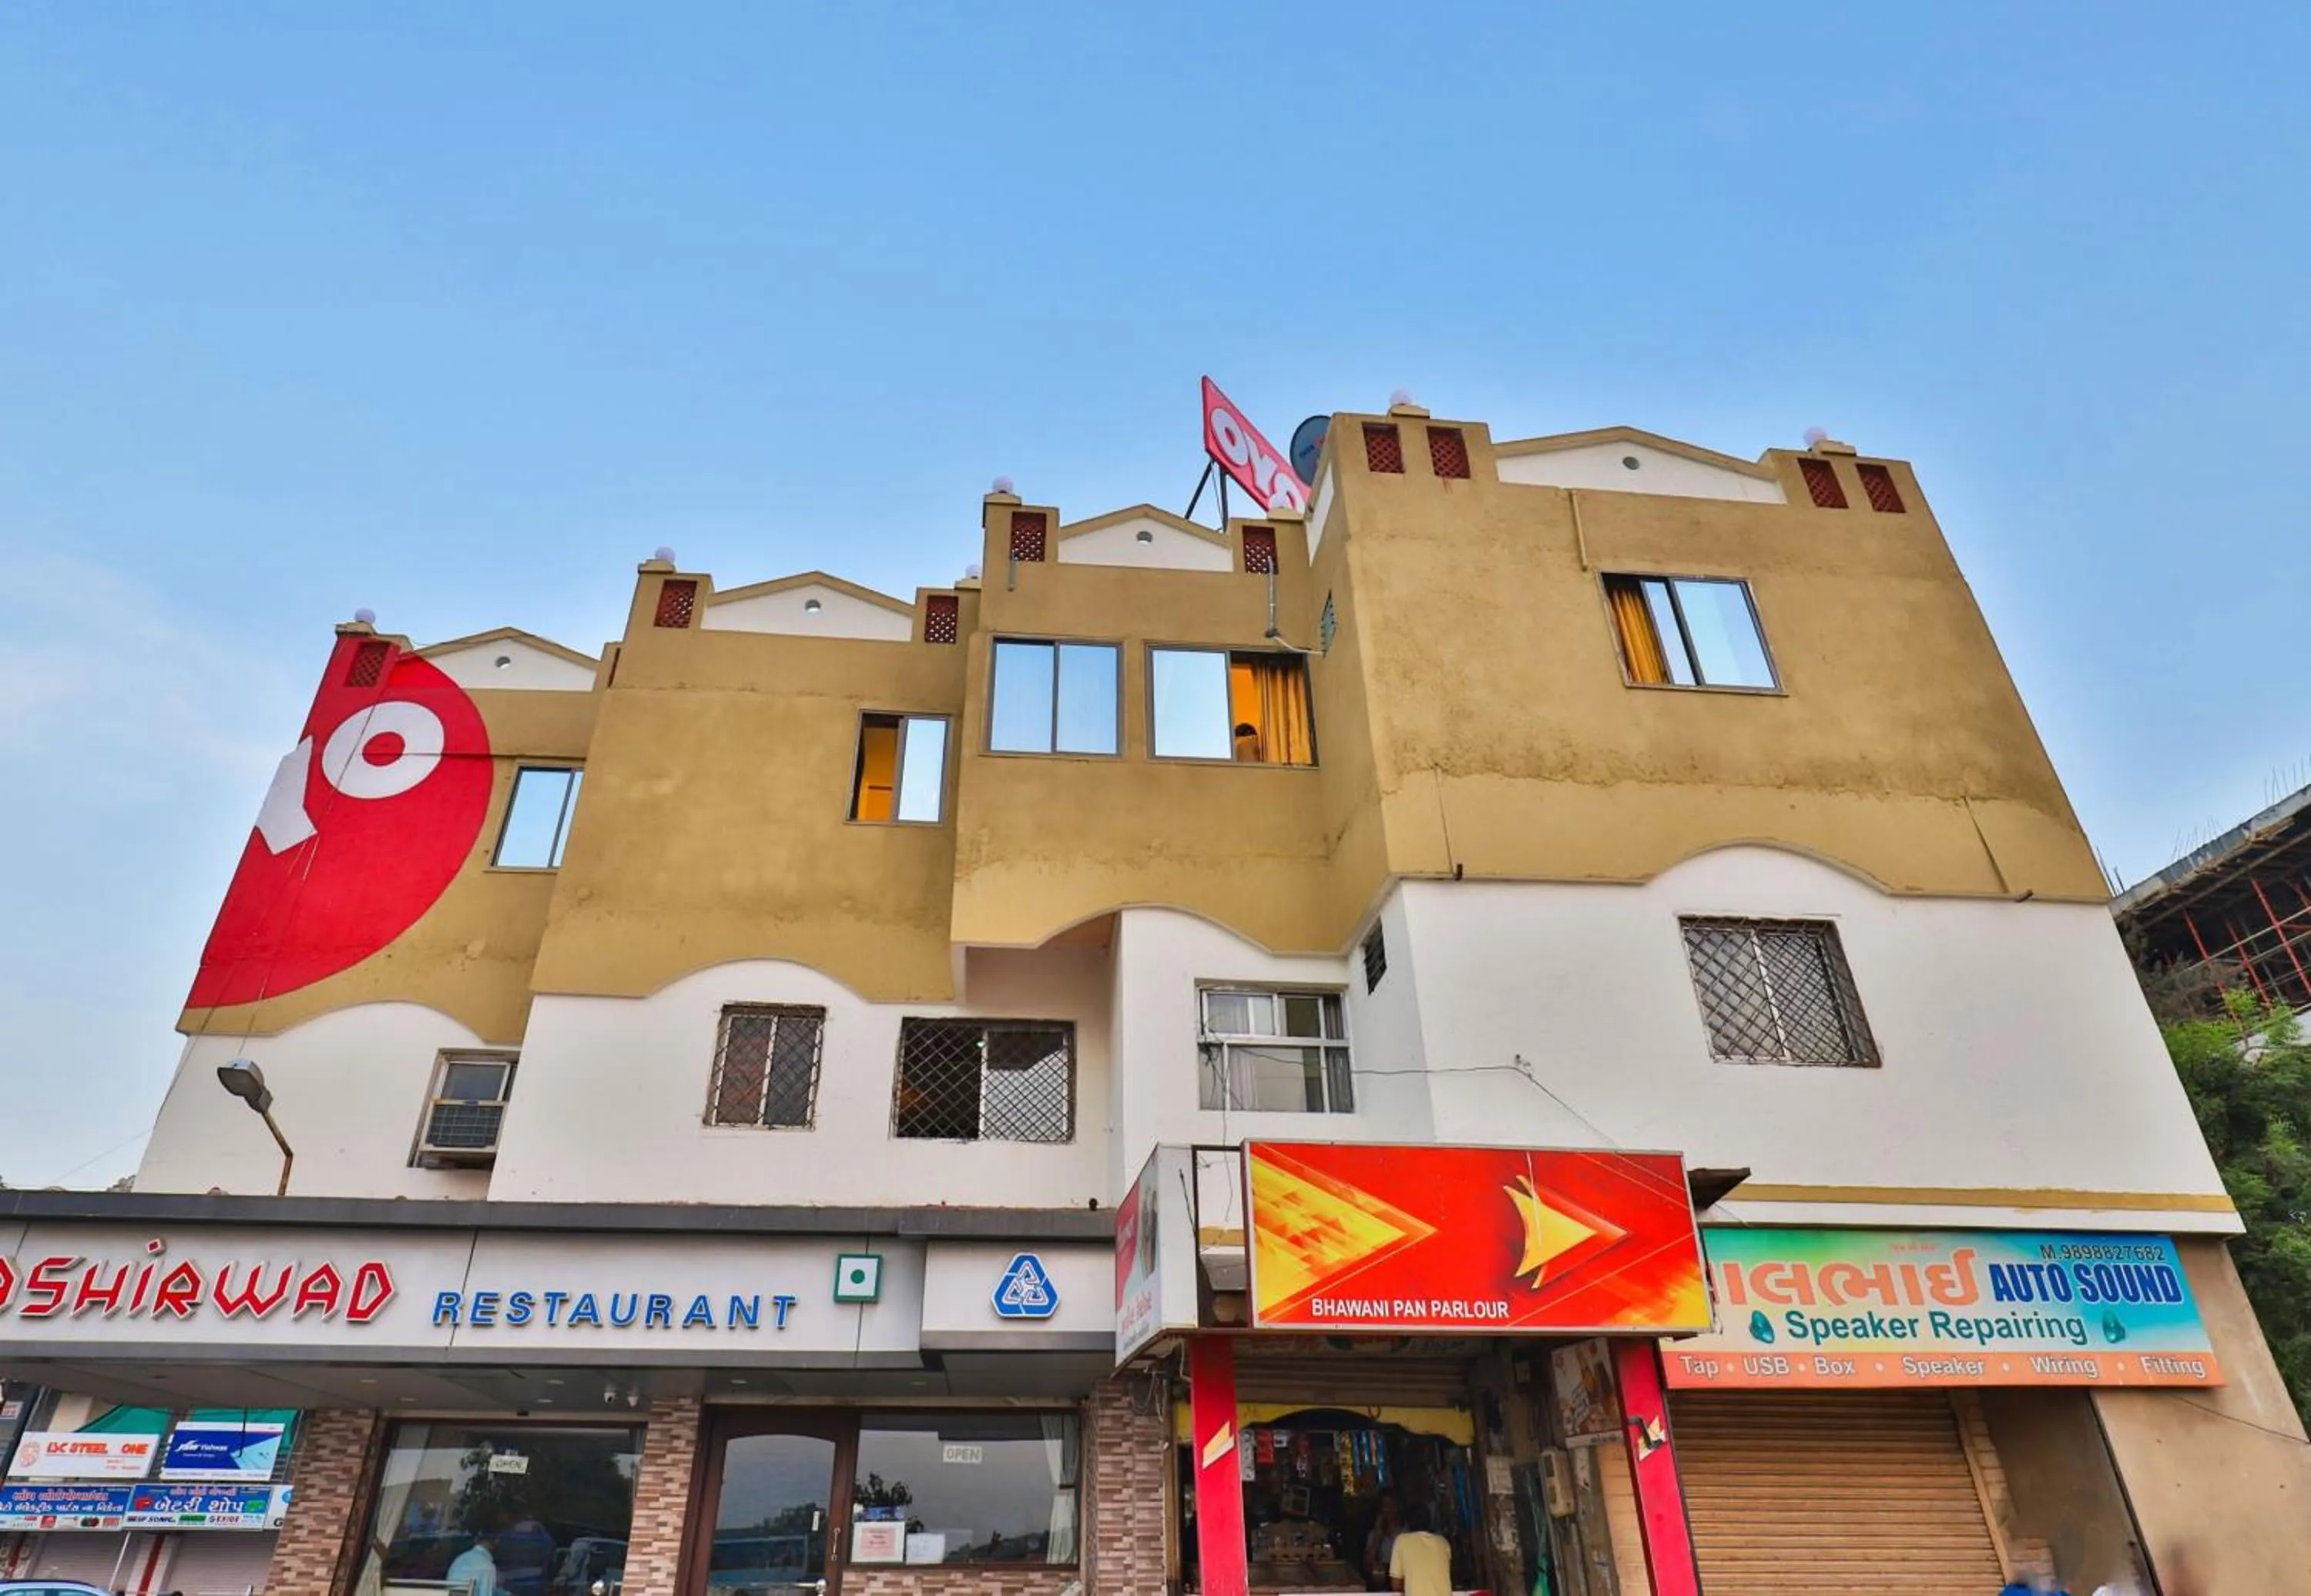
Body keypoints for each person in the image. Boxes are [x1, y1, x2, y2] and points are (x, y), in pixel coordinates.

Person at [1387, 1503, 1452, 1596]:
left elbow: (1396, 1584)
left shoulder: (1402, 1541)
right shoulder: (1443, 1542)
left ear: (1408, 1523)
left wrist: (1412, 1584)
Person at [1362, 1490, 1403, 1591]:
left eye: (1392, 1505)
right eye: (1385, 1505)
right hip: (1381, 1580)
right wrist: (1377, 1536)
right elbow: (1367, 1566)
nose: (1389, 1509)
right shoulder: (1374, 1534)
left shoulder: (1406, 1534)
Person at [448, 1531, 500, 1596]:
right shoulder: (487, 1567)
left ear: (476, 1540)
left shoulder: (460, 1559)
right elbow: (485, 1594)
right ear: (497, 1540)